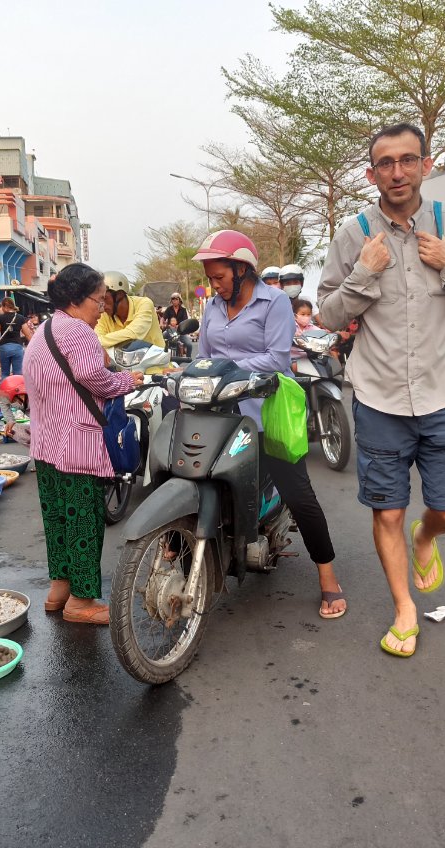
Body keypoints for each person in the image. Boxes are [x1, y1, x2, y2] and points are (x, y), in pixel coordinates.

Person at [317, 122, 445, 657]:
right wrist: (363, 274)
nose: (397, 171)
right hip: (379, 397)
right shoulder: (353, 236)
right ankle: (404, 610)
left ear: (426, 164)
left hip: (444, 392)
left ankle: (426, 539)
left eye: (408, 160)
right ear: (371, 173)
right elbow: (328, 314)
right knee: (387, 511)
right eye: (386, 163)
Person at [193, 230, 346, 620]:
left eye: (220, 277)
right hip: (216, 412)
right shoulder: (212, 305)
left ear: (242, 269)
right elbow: (202, 356)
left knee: (299, 493)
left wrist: (227, 371)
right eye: (211, 278)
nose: (215, 285)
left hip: (263, 411)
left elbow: (277, 359)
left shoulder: (274, 302)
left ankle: (328, 578)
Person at [23, 263, 144, 625]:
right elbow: (95, 378)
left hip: (46, 445)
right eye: (99, 299)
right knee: (83, 523)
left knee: (58, 519)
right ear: (77, 299)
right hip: (76, 445)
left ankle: (59, 590)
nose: (103, 307)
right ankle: (81, 602)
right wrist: (128, 380)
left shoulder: (44, 329)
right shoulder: (79, 332)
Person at [95, 271, 166, 350]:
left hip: (156, 361)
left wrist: (99, 342)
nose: (102, 305)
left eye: (105, 298)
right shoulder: (105, 314)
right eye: (100, 299)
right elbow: (97, 337)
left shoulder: (144, 304)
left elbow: (134, 333)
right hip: (122, 361)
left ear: (120, 294)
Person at [0, 298, 26, 378]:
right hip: (17, 347)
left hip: (4, 347)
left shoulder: (0, 318)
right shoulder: (20, 317)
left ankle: (5, 389)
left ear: (4, 306)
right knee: (18, 373)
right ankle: (17, 389)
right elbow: (27, 333)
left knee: (4, 373)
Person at [0, 374, 30, 444]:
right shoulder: (5, 395)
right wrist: (10, 420)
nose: (11, 402)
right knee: (12, 429)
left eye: (14, 400)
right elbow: (3, 402)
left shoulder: (36, 398)